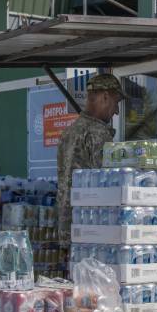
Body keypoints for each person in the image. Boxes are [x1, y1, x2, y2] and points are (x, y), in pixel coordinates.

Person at [56, 73, 126, 246]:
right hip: (91, 228)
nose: (117, 111)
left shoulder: (70, 131)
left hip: (68, 227)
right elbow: (108, 184)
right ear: (104, 97)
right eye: (116, 103)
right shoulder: (98, 133)